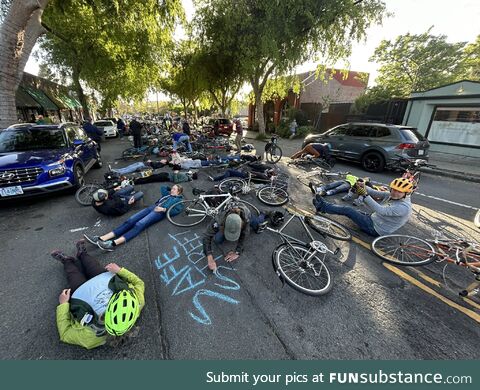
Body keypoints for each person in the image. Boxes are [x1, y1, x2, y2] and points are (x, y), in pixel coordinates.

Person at [52, 240, 144, 349]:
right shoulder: (137, 302)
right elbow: (139, 283)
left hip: (82, 292)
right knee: (91, 265)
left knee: (72, 273)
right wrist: (120, 270)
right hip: (102, 281)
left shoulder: (90, 338)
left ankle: (67, 261)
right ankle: (82, 254)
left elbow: (65, 334)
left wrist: (63, 304)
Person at [84, 185, 184, 251]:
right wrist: (170, 188)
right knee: (129, 221)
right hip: (152, 207)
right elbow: (162, 188)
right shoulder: (168, 194)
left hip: (158, 212)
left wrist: (163, 209)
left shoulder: (178, 199)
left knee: (139, 224)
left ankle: (112, 244)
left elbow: (175, 210)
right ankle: (102, 238)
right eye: (172, 188)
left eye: (174, 189)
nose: (172, 189)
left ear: (179, 192)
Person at [312, 178, 413, 237]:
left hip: (375, 229)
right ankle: (324, 206)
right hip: (374, 219)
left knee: (349, 210)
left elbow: (380, 210)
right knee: (351, 210)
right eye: (394, 189)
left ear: (406, 193)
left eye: (399, 191)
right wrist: (363, 186)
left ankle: (322, 206)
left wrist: (365, 195)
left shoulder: (403, 207)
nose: (395, 193)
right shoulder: (391, 195)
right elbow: (374, 192)